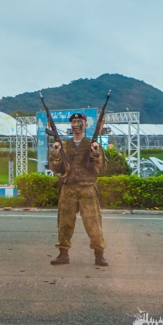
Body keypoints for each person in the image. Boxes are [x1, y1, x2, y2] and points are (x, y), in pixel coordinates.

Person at [49, 112, 108, 266]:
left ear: (85, 125)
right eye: (73, 122)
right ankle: (63, 254)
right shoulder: (64, 145)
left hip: (87, 188)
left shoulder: (92, 144)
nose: (75, 125)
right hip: (68, 188)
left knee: (93, 223)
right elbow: (56, 169)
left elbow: (101, 168)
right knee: (64, 223)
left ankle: (99, 255)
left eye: (79, 122)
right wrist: (56, 153)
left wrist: (96, 153)